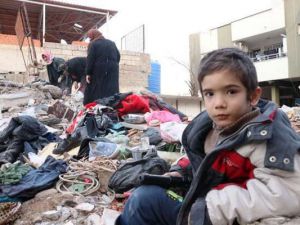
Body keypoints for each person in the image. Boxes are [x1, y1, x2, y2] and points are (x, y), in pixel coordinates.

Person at [116, 48, 300, 225]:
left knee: (144, 200)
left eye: (231, 92)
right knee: (145, 194)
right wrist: (180, 172)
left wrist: (212, 209)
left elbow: (289, 193)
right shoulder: (211, 129)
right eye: (210, 94)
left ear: (253, 96)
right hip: (212, 209)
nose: (219, 103)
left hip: (241, 217)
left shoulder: (270, 137)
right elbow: (204, 160)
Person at [84, 29, 120, 105]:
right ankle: (113, 104)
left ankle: (99, 105)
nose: (90, 39)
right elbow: (118, 56)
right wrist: (113, 64)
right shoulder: (112, 43)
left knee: (99, 89)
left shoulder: (93, 44)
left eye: (90, 37)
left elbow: (90, 59)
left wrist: (88, 73)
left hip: (99, 69)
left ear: (93, 36)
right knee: (111, 88)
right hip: (113, 69)